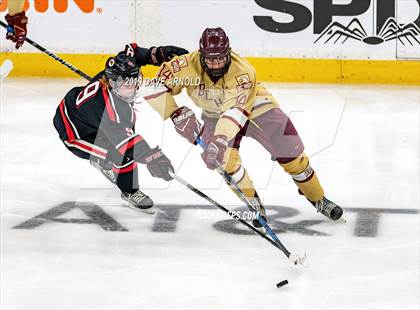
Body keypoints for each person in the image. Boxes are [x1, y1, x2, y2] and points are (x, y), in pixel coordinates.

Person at [146, 27, 343, 227]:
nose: (215, 64)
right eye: (210, 59)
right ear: (200, 54)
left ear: (229, 53)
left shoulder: (244, 72)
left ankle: (318, 198)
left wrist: (220, 140)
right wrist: (174, 113)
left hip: (257, 107)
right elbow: (153, 87)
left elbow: (235, 112)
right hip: (215, 115)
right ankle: (254, 206)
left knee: (292, 154)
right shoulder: (184, 65)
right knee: (225, 162)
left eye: (220, 58)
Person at [53, 43, 188, 214]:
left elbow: (132, 52)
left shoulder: (119, 72)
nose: (132, 88)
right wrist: (152, 157)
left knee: (121, 142)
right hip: (75, 132)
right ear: (112, 83)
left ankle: (107, 160)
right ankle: (129, 191)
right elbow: (128, 145)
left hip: (87, 115)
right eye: (126, 84)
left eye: (134, 81)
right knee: (120, 155)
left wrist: (157, 54)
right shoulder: (111, 110)